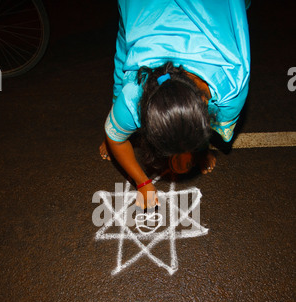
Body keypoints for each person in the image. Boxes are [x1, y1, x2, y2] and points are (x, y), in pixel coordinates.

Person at [100, 0, 251, 209]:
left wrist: (201, 150)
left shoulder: (231, 89)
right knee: (124, 54)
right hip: (139, 10)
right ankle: (117, 122)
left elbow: (213, 125)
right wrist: (142, 182)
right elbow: (115, 140)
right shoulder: (133, 95)